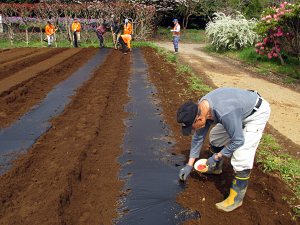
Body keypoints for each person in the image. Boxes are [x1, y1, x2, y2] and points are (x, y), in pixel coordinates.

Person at [177, 87, 271, 212]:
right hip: (235, 110)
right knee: (215, 137)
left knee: (241, 154)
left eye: (192, 127)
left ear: (200, 119)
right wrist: (189, 165)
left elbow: (238, 140)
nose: (193, 130)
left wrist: (217, 156)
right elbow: (198, 137)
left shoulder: (224, 112)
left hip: (255, 113)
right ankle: (215, 168)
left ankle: (235, 199)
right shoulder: (202, 108)